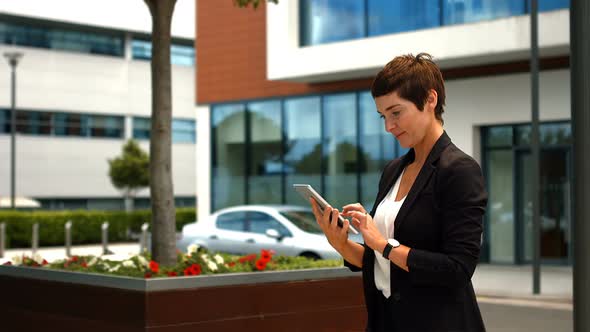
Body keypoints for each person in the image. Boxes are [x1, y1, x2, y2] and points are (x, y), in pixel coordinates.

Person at [309, 53, 488, 332]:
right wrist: (341, 243)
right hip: (387, 321)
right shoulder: (394, 170)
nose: (388, 126)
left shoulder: (460, 170)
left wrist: (382, 243)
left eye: (396, 112)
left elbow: (458, 269)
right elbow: (382, 264)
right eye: (383, 116)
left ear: (430, 100)